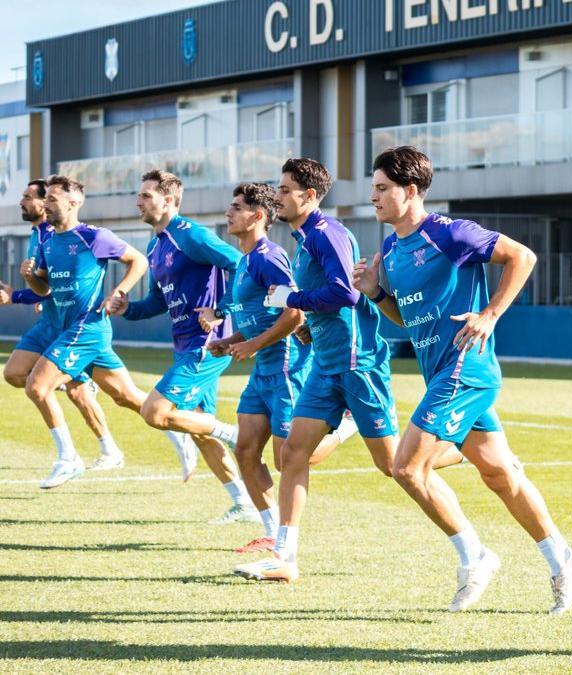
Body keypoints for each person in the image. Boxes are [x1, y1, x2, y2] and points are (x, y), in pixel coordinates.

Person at [351, 145, 572, 613]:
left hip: (466, 367)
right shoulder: (392, 250)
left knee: (405, 467)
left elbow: (522, 256)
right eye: (372, 189)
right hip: (440, 372)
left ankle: (474, 556)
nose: (373, 198)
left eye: (381, 189)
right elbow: (409, 319)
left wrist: (490, 313)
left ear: (411, 190)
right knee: (501, 476)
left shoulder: (449, 232)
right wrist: (376, 294)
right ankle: (564, 558)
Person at [233, 158, 460, 583]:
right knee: (291, 453)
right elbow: (322, 296)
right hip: (326, 360)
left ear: (310, 196)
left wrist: (291, 299)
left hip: (358, 360)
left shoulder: (328, 233)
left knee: (393, 466)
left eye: (284, 190)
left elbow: (345, 294)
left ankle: (462, 447)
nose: (278, 196)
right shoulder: (304, 240)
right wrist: (304, 321)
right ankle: (285, 557)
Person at [199, 182, 357, 553]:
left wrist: (251, 345)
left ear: (257, 216)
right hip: (263, 369)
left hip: (286, 365)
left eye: (236, 207)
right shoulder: (244, 261)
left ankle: (345, 427)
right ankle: (271, 531)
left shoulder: (269, 257)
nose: (228, 213)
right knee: (245, 450)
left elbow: (293, 313)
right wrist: (232, 339)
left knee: (290, 458)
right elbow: (257, 314)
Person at [107, 170, 255, 523]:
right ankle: (244, 504)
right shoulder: (156, 245)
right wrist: (129, 309)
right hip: (185, 343)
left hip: (209, 342)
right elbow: (158, 302)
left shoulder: (190, 235)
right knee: (198, 428)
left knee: (155, 412)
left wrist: (222, 310)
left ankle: (232, 434)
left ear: (169, 200)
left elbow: (240, 264)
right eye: (139, 195)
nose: (138, 201)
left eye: (146, 195)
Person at [19, 176, 152, 489]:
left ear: (72, 203)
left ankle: (68, 458)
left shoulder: (93, 235)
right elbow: (44, 287)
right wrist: (29, 279)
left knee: (37, 387)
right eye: (46, 198)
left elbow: (138, 261)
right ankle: (182, 429)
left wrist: (118, 291)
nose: (46, 205)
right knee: (126, 397)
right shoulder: (48, 242)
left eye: (52, 199)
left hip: (87, 327)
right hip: (67, 329)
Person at [1, 178, 127, 473]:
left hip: (77, 325)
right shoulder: (41, 236)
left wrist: (16, 295)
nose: (27, 202)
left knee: (119, 396)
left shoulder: (71, 234)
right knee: (16, 374)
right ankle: (105, 447)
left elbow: (45, 289)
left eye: (30, 196)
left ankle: (79, 455)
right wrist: (29, 284)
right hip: (52, 321)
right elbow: (44, 287)